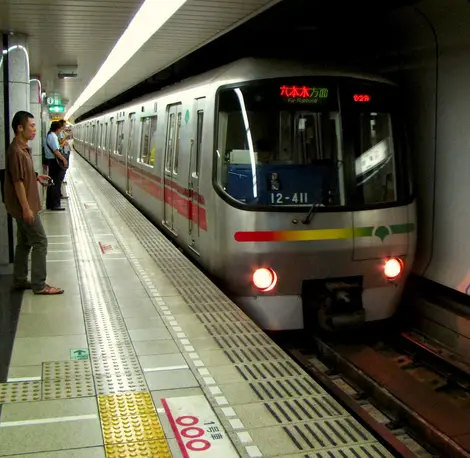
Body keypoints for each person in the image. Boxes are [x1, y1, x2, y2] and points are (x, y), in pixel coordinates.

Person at [4, 111, 64, 295]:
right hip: (25, 207)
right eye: (31, 126)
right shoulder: (16, 151)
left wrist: (37, 177)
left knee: (24, 243)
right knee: (40, 241)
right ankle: (39, 285)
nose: (35, 130)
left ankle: (20, 280)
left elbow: (23, 175)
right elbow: (17, 182)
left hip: (26, 205)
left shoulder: (23, 149)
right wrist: (26, 209)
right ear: (20, 128)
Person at [44, 121, 67, 211]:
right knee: (56, 183)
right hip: (54, 162)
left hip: (51, 161)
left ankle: (50, 204)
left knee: (51, 182)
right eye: (60, 129)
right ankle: (55, 205)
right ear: (58, 129)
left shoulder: (49, 135)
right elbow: (56, 151)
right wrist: (64, 160)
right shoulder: (53, 137)